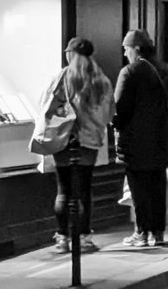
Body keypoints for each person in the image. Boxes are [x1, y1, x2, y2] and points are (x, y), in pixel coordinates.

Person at [38, 37, 113, 254]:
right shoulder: (101, 81)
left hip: (64, 139)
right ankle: (84, 238)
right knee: (84, 190)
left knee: (64, 190)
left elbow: (44, 106)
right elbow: (108, 114)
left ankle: (62, 238)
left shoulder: (61, 78)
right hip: (89, 142)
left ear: (70, 54)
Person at [113, 29, 168, 248]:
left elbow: (119, 109)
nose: (124, 53)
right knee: (156, 188)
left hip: (136, 143)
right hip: (158, 141)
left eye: (126, 48)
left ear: (135, 48)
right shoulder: (156, 71)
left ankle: (141, 232)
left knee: (139, 189)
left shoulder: (129, 72)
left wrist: (115, 125)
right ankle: (157, 233)